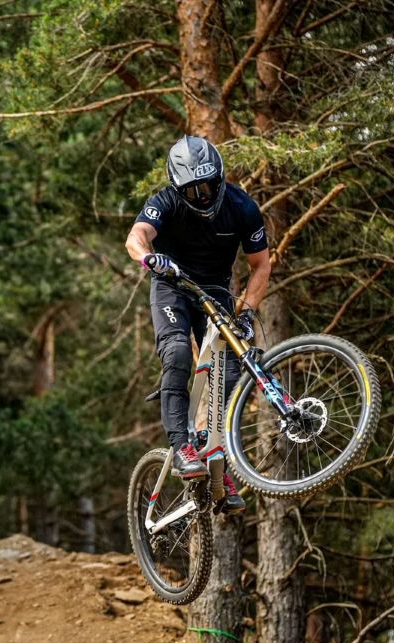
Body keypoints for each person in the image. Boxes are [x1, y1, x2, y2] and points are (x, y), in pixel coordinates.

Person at [123, 135, 272, 514]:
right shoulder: (165, 201)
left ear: (220, 177)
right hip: (173, 286)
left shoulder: (242, 206)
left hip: (216, 292)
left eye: (208, 185)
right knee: (175, 352)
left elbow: (261, 265)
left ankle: (214, 453)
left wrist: (248, 310)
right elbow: (136, 237)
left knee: (232, 372)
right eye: (191, 189)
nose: (202, 196)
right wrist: (148, 259)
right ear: (178, 187)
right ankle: (181, 446)